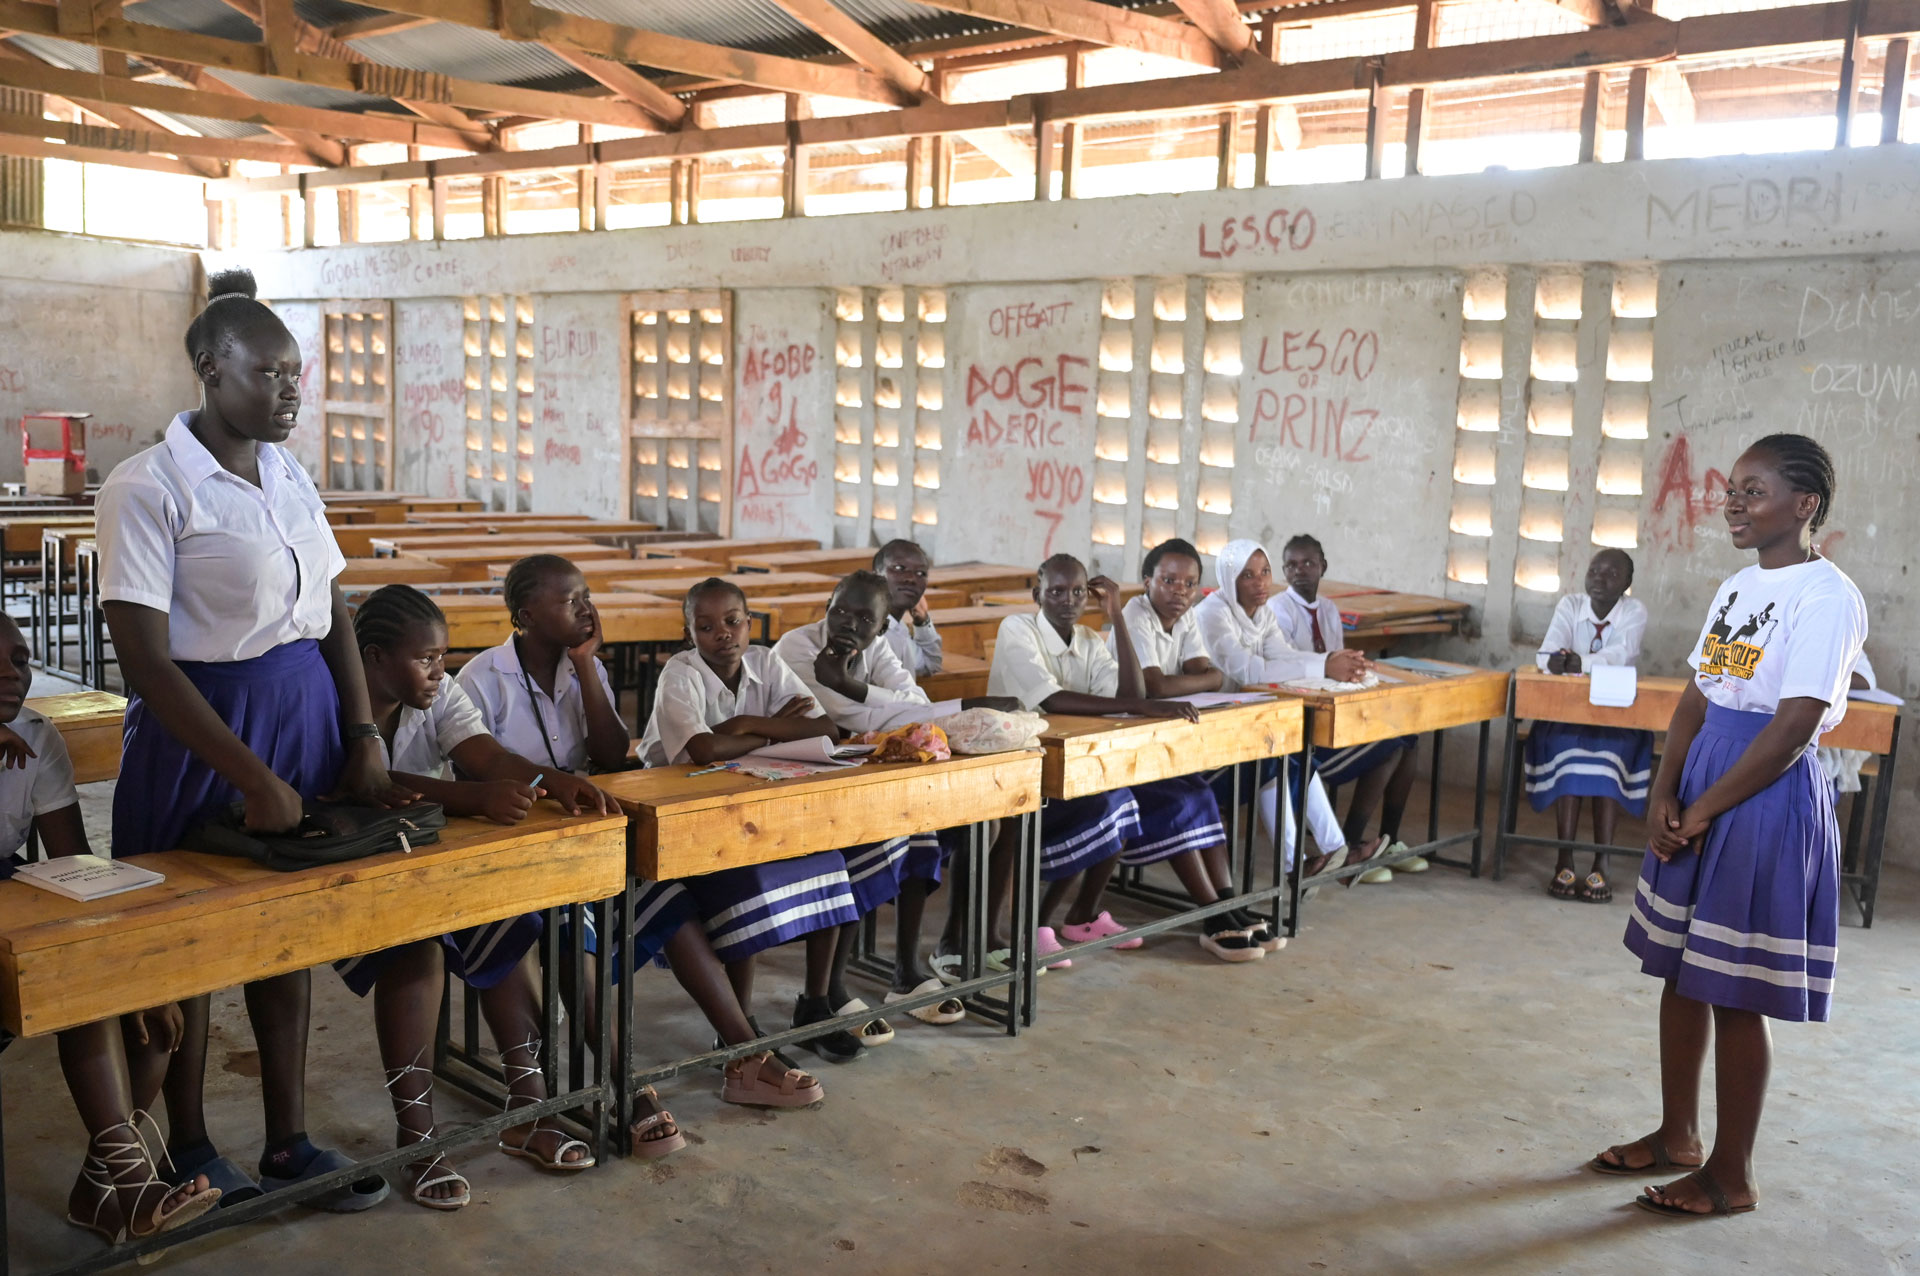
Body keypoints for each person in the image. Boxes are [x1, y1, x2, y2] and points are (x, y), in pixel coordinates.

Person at [99, 266, 406, 1213]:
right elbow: (146, 662)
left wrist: (361, 728)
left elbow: (334, 605)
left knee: (285, 933)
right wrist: (254, 777)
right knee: (190, 943)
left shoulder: (287, 472)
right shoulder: (147, 486)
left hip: (302, 708)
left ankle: (288, 1142)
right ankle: (188, 1146)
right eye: (267, 373)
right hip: (204, 726)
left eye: (295, 373)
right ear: (208, 367)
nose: (288, 391)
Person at [1600, 433, 1864, 1220]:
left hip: (1762, 794)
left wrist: (1705, 808)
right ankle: (1677, 1134)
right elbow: (1696, 697)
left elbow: (1793, 727)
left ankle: (1731, 1173)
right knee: (1683, 971)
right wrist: (1664, 789)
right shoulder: (1739, 586)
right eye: (1732, 491)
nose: (1734, 505)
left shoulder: (1827, 597)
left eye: (1755, 491)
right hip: (1702, 782)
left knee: (1734, 988)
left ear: (1804, 504)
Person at [466, 563, 827, 1124]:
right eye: (570, 601)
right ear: (526, 616)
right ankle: (624, 1087)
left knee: (669, 901)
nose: (587, 610)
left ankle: (745, 1055)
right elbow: (475, 772)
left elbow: (611, 756)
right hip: (512, 843)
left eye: (587, 596)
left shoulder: (583, 667)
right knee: (573, 933)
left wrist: (585, 667)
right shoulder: (481, 677)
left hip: (586, 833)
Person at [335, 585, 621, 1207]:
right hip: (347, 870)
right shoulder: (330, 698)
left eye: (443, 657)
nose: (440, 671)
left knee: (506, 920)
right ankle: (418, 1139)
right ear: (375, 657)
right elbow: (358, 782)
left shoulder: (437, 693)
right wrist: (469, 798)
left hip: (426, 861)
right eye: (426, 659)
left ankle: (528, 1107)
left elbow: (486, 755)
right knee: (417, 953)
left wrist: (552, 781)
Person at [0, 616, 222, 1244]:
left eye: (20, 660)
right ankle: (128, 1189)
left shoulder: (34, 736)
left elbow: (71, 868)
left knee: (129, 1006)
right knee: (85, 986)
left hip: (11, 899)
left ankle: (113, 1190)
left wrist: (128, 967)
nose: (11, 674)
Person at [638, 577, 870, 1067]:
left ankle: (814, 1003)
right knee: (746, 878)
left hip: (750, 801)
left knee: (830, 858)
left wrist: (744, 726)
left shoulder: (764, 661)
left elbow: (825, 728)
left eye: (732, 621)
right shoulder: (680, 674)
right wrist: (775, 731)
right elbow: (702, 750)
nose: (722, 633)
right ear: (688, 634)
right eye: (705, 626)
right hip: (682, 810)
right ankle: (739, 1026)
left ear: (749, 623)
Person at [983, 553, 1256, 967]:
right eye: (1056, 591)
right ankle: (1035, 925)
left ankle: (1081, 917)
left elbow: (1131, 694)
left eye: (1078, 592)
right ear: (1037, 594)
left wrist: (1115, 616)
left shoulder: (1089, 640)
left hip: (1073, 768)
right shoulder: (1017, 628)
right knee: (1112, 802)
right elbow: (1052, 699)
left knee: (1123, 800)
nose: (1068, 600)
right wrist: (1141, 706)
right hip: (1017, 776)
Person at [774, 570, 1017, 1028]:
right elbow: (844, 718)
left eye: (865, 618)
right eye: (840, 610)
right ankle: (830, 988)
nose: (849, 623)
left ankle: (906, 969)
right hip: (800, 779)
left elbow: (914, 703)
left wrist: (851, 686)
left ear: (883, 626)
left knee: (920, 827)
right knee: (861, 841)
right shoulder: (796, 647)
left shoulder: (879, 649)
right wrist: (868, 703)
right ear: (826, 607)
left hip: (862, 773)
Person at [1105, 539, 1280, 958]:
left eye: (1189, 583)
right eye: (1168, 581)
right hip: (1120, 748)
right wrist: (1190, 682)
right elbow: (1154, 686)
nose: (1179, 591)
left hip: (1162, 745)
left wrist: (1186, 682)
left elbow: (1208, 674)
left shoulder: (1185, 618)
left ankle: (1227, 902)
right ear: (1147, 581)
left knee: (1202, 793)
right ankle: (1213, 914)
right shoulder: (1135, 615)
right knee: (1181, 802)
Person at [1192, 539, 1352, 881]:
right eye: (1248, 575)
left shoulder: (1261, 613)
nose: (1261, 582)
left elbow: (1282, 655)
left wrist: (1329, 661)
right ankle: (1297, 865)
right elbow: (1249, 671)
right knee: (1275, 757)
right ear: (1229, 579)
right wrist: (1324, 667)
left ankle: (1331, 850)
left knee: (1293, 752)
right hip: (1206, 725)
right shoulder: (1212, 614)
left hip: (1242, 717)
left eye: (1264, 572)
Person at [1270, 534, 1418, 882]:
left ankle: (1390, 840)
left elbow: (1337, 663)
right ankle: (1349, 845)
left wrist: (1356, 668)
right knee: (1391, 746)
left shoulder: (1329, 610)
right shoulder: (1279, 609)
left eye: (1308, 563)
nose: (1299, 570)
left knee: (1410, 737)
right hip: (1307, 722)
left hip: (1335, 708)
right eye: (1291, 565)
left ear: (1323, 566)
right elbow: (1288, 668)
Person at [1528, 548, 1652, 904]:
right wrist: (1556, 662)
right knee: (1569, 761)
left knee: (1607, 767)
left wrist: (1578, 662)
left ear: (1627, 583)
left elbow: (1621, 655)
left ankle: (1602, 859)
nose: (1599, 579)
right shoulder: (1570, 605)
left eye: (1611, 574)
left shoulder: (1634, 611)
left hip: (1617, 719)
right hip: (1568, 715)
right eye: (1594, 570)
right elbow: (1547, 653)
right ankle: (1564, 858)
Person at [873, 539, 943, 675]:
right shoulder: (870, 632)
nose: (911, 578)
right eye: (899, 568)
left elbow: (930, 664)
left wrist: (922, 621)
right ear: (876, 575)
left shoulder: (898, 628)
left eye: (921, 573)